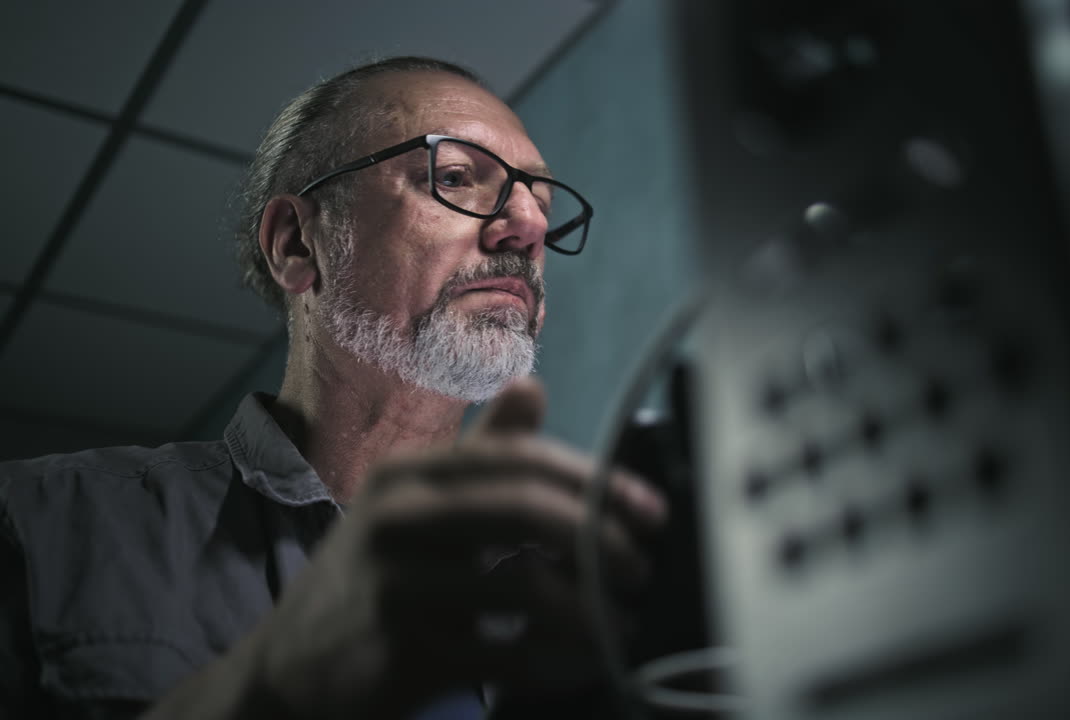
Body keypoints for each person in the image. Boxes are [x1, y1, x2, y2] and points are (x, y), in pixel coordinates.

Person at [0, 56, 668, 719]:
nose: (526, 226)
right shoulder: (42, 522)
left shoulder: (585, 599)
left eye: (541, 204)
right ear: (297, 244)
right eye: (459, 177)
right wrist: (271, 692)